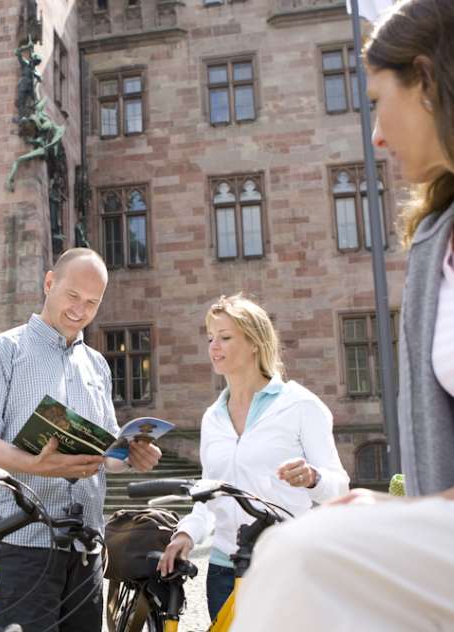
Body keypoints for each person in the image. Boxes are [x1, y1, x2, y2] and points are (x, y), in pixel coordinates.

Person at [229, 2, 454, 630]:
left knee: (300, 559)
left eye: (378, 98)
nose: (374, 134)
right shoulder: (437, 238)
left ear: (429, 82)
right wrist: (399, 508)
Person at [0, 247, 162, 632]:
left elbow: (106, 457)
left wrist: (130, 454)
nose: (80, 309)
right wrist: (34, 464)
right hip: (20, 541)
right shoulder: (2, 350)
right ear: (49, 282)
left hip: (85, 546)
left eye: (92, 302)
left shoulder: (97, 365)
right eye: (73, 296)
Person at [157, 294, 349, 622]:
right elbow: (207, 497)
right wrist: (187, 533)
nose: (214, 346)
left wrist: (313, 477)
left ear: (255, 343)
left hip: (284, 564)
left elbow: (340, 488)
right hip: (223, 570)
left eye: (226, 337)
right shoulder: (212, 417)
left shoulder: (300, 405)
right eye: (210, 338)